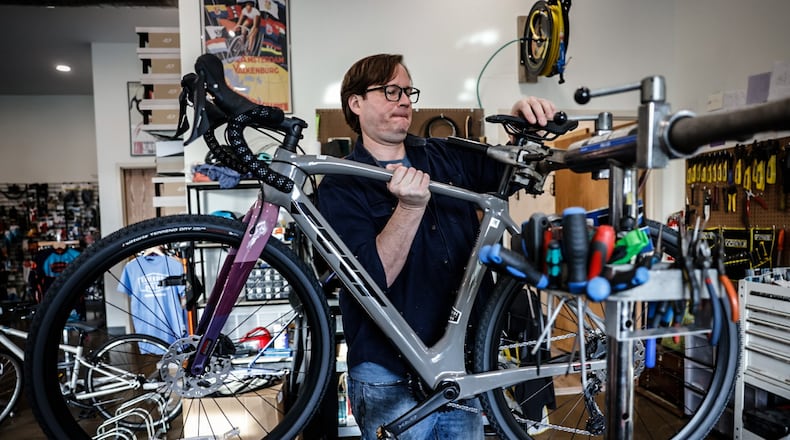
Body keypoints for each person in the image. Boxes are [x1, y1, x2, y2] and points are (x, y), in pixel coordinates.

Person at [317, 53, 556, 439]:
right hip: (388, 376)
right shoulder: (339, 188)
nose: (405, 100)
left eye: (408, 91)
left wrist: (520, 125)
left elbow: (507, 172)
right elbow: (370, 282)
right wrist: (409, 208)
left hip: (463, 366)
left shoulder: (444, 156)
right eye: (390, 90)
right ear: (356, 103)